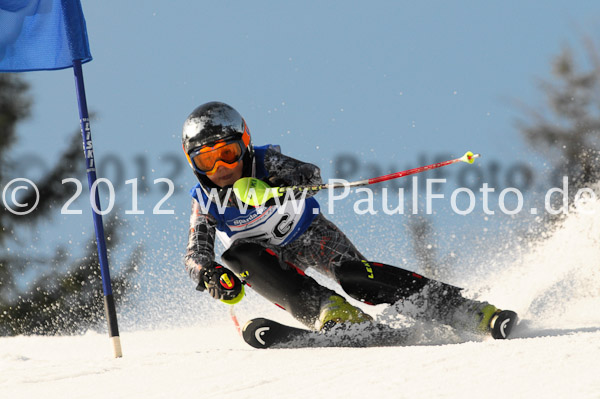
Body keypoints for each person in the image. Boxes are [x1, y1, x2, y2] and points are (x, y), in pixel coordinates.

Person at [182, 101, 516, 338]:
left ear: (244, 144)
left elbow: (309, 175)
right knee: (237, 254)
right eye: (206, 161)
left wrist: (272, 187)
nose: (221, 168)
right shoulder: (205, 201)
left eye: (227, 153)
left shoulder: (265, 161)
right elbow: (194, 256)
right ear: (192, 163)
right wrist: (210, 274)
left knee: (356, 277)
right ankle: (329, 311)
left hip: (311, 236)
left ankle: (459, 308)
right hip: (269, 260)